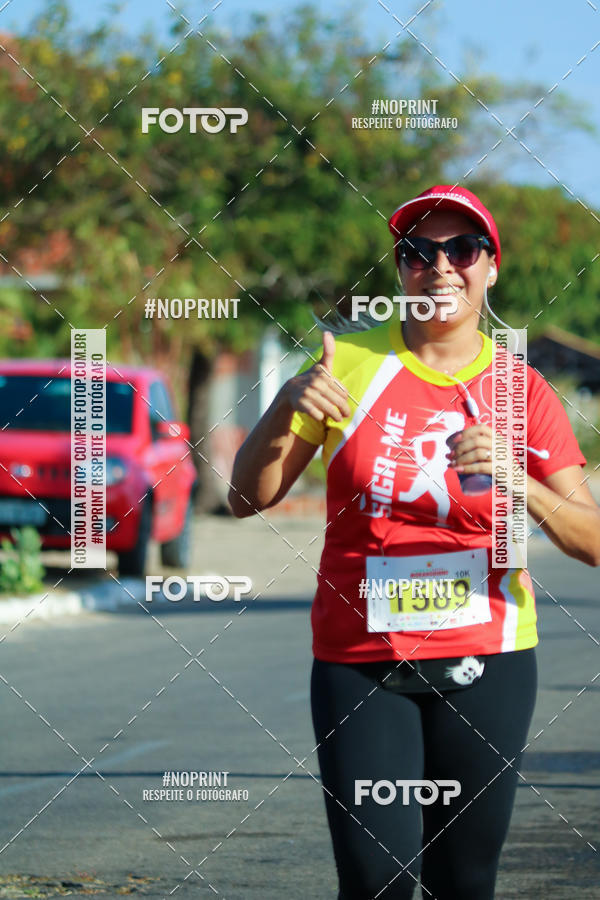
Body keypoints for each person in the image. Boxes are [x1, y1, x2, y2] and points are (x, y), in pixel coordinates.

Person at [228, 184, 600, 899]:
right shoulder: (349, 365)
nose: (440, 267)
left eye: (462, 249)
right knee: (377, 883)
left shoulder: (522, 392)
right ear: (400, 270)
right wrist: (285, 405)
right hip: (360, 660)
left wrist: (517, 481)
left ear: (491, 266)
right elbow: (247, 498)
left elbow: (590, 542)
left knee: (464, 884)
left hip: (488, 659)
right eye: (417, 253)